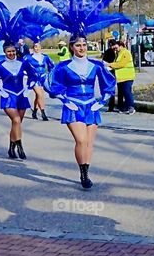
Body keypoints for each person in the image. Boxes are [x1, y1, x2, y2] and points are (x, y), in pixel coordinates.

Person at [47, 37, 117, 186]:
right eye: (78, 45)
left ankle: (86, 172)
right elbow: (55, 86)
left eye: (84, 45)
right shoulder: (63, 66)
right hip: (74, 105)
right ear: (72, 47)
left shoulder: (96, 65)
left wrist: (102, 101)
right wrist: (65, 100)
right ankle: (82, 173)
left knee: (89, 143)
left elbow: (109, 83)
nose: (82, 48)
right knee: (81, 140)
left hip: (91, 106)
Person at [0, 44, 39, 159]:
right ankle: (19, 146)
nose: (11, 53)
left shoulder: (23, 63)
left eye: (13, 51)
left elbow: (33, 75)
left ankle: (11, 148)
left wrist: (28, 88)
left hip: (21, 95)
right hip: (8, 96)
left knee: (16, 124)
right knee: (16, 120)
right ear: (4, 52)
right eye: (9, 51)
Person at [24, 42, 56, 121]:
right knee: (40, 94)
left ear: (41, 47)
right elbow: (22, 66)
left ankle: (34, 111)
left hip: (43, 78)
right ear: (33, 48)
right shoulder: (28, 57)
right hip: (33, 79)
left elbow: (51, 66)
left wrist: (49, 75)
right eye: (35, 47)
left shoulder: (45, 57)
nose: (37, 48)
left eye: (38, 47)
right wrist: (26, 73)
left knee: (38, 96)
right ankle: (43, 113)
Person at [108, 40, 136, 114]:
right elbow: (117, 64)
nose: (114, 48)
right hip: (121, 77)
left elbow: (121, 64)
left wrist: (110, 65)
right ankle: (123, 108)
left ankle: (131, 107)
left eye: (115, 47)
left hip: (127, 76)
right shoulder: (118, 53)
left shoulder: (125, 52)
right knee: (121, 93)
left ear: (121, 46)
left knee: (127, 92)